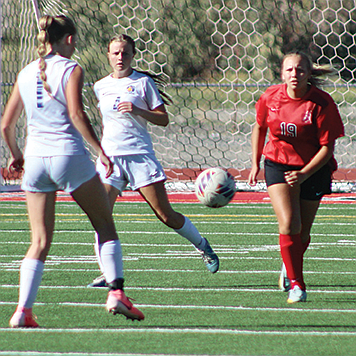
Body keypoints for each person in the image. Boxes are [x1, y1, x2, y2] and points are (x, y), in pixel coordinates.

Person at [1, 15, 144, 327]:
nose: (76, 44)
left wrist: (16, 155)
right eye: (74, 39)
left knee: (39, 240)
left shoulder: (26, 72)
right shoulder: (71, 68)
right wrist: (100, 150)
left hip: (36, 160)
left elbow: (6, 124)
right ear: (67, 39)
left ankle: (22, 311)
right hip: (67, 156)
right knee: (104, 222)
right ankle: (117, 292)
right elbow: (77, 114)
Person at [87, 34, 219, 287]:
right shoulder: (100, 86)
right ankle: (109, 272)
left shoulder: (143, 83)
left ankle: (202, 246)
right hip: (110, 159)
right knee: (99, 215)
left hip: (140, 157)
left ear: (133, 55)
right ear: (108, 55)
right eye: (115, 52)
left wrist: (138, 110)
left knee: (166, 215)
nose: (120, 57)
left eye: (125, 52)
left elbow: (163, 118)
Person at [248, 51, 344, 303]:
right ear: (281, 73)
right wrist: (255, 163)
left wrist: (303, 174)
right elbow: (259, 127)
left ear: (309, 74)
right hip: (277, 164)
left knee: (302, 233)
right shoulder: (270, 97)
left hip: (312, 169)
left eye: (300, 70)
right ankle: (297, 285)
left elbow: (327, 149)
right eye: (289, 70)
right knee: (289, 224)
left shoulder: (322, 103)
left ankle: (288, 265)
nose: (294, 74)